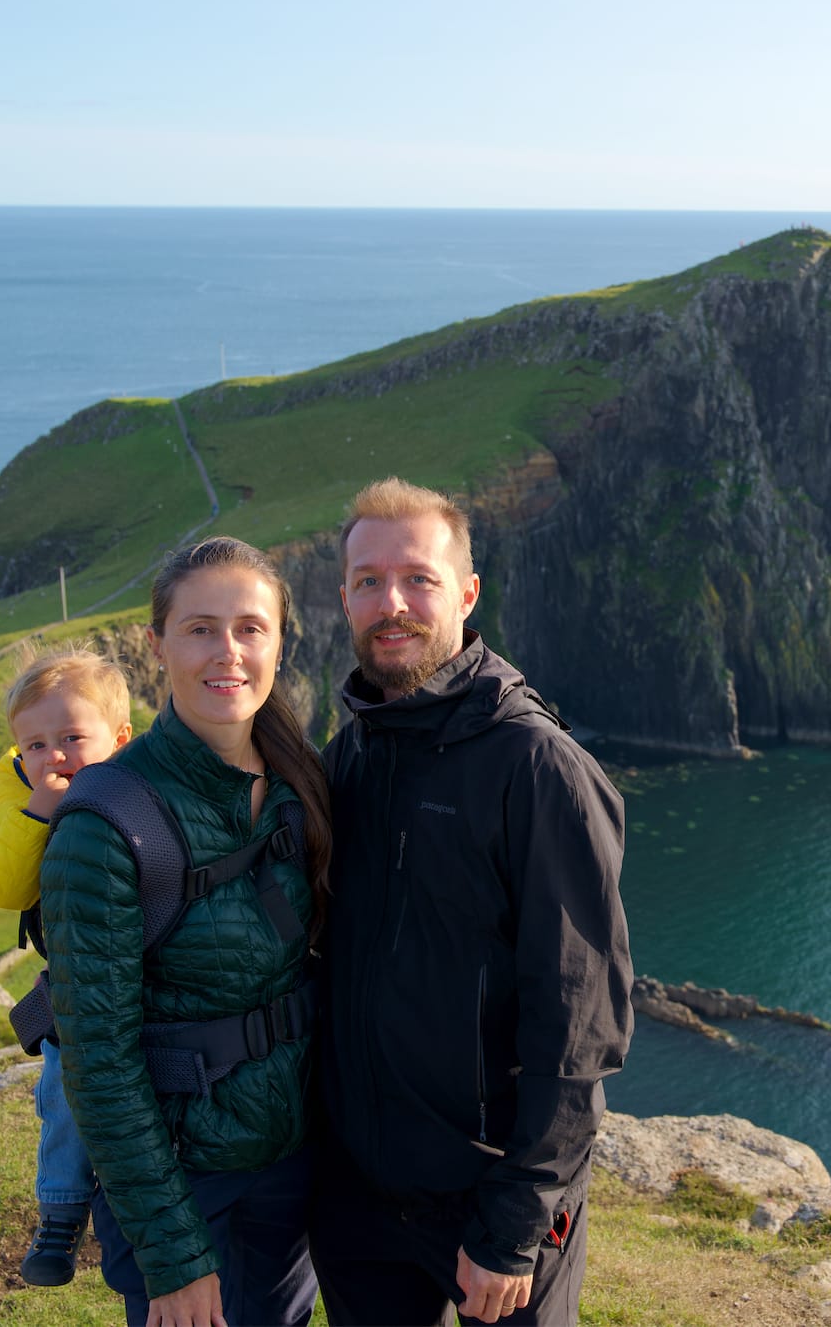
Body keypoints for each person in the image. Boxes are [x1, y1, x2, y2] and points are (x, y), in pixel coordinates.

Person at [310, 478, 633, 1326]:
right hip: (359, 1201)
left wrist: (517, 1222)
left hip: (493, 1205)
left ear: (466, 590)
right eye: (370, 581)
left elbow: (582, 1023)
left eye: (418, 577)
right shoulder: (353, 754)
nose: (394, 603)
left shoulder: (537, 767)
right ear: (343, 596)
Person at [40, 536, 331, 1327]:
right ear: (155, 644)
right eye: (201, 628)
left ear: (279, 641)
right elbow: (98, 1062)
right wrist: (172, 1252)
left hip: (291, 1172)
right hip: (187, 1184)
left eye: (249, 628)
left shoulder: (300, 779)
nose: (227, 652)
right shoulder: (106, 826)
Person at [0, 642, 132, 1287]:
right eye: (35, 745)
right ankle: (60, 1218)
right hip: (72, 991)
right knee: (64, 1098)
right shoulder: (19, 796)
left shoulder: (143, 786)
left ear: (119, 739)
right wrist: (36, 811)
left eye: (71, 736)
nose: (53, 757)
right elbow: (0, 886)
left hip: (141, 980)